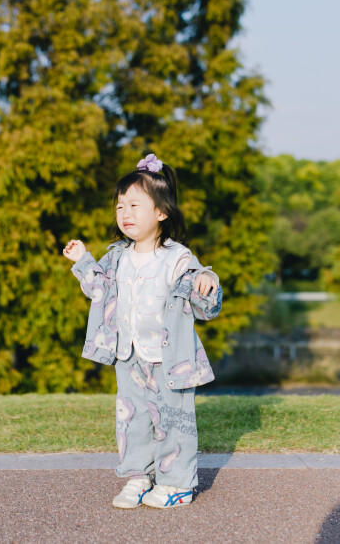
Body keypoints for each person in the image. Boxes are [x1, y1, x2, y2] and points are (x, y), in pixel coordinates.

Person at [62, 153, 222, 509]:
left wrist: (207, 279)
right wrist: (84, 260)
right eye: (120, 207)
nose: (126, 214)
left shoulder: (176, 257)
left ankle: (176, 483)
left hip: (170, 359)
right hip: (128, 353)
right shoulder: (117, 256)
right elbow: (97, 288)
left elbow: (198, 285)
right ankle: (139, 476)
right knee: (131, 418)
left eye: (135, 205)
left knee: (173, 420)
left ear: (161, 212)